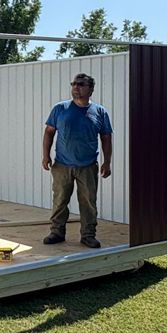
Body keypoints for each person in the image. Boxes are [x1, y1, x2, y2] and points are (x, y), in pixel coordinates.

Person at [41, 72, 113, 248]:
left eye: (80, 84)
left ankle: (88, 235)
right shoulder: (60, 109)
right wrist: (45, 155)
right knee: (59, 200)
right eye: (73, 84)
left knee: (88, 202)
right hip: (62, 165)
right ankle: (56, 232)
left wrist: (107, 162)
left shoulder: (100, 112)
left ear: (90, 89)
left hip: (87, 166)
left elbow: (106, 137)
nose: (76, 87)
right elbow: (49, 132)